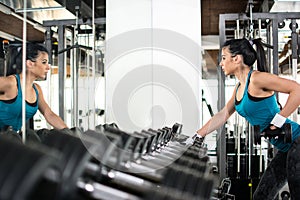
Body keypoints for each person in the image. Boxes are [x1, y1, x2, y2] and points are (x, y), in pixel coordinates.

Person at [193, 38, 300, 199]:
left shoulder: (257, 79)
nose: (221, 63)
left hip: (297, 142)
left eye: (223, 57)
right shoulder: (239, 88)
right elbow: (222, 115)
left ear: (236, 59)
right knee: (261, 196)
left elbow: (297, 90)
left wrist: (278, 121)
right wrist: (198, 135)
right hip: (285, 148)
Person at [0, 42, 68, 135]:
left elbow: (49, 114)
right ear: (29, 63)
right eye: (44, 62)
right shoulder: (11, 83)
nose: (48, 67)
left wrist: (69, 132)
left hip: (10, 139)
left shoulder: (37, 90)